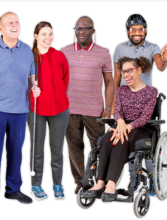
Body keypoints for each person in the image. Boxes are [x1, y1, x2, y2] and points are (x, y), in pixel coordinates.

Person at [0, 12, 40, 209]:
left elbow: (31, 79)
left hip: (20, 111)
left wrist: (35, 87)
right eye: (9, 22)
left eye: (17, 22)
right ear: (1, 28)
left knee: (16, 152)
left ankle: (13, 190)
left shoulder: (27, 50)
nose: (15, 25)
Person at [111, 14, 167, 195]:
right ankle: (133, 178)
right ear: (128, 31)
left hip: (145, 100)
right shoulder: (120, 49)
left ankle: (153, 179)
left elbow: (160, 66)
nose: (137, 33)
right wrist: (114, 104)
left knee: (147, 142)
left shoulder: (153, 48)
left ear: (145, 30)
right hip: (125, 100)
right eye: (133, 29)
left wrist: (165, 59)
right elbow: (117, 78)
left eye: (140, 29)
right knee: (126, 139)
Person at [84, 56, 158, 201]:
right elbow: (117, 111)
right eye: (123, 72)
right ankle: (100, 183)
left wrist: (126, 126)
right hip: (122, 124)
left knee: (122, 139)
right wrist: (120, 123)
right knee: (107, 139)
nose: (126, 75)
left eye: (129, 70)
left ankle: (111, 184)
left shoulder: (151, 92)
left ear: (139, 70)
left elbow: (144, 118)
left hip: (142, 128)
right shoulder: (122, 90)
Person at [61, 16, 114, 194]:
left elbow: (109, 82)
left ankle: (100, 180)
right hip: (69, 109)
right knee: (74, 145)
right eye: (78, 28)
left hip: (94, 110)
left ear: (93, 31)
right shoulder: (64, 52)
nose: (81, 31)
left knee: (99, 146)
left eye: (85, 28)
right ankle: (81, 181)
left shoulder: (103, 52)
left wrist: (108, 108)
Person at [27, 21, 69, 200]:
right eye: (44, 34)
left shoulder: (59, 56)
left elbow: (65, 80)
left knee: (57, 149)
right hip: (35, 109)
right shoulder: (29, 57)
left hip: (59, 109)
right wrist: (31, 89)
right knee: (37, 149)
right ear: (36, 36)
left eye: (50, 34)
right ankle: (36, 184)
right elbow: (23, 81)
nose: (48, 38)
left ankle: (57, 183)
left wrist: (56, 95)